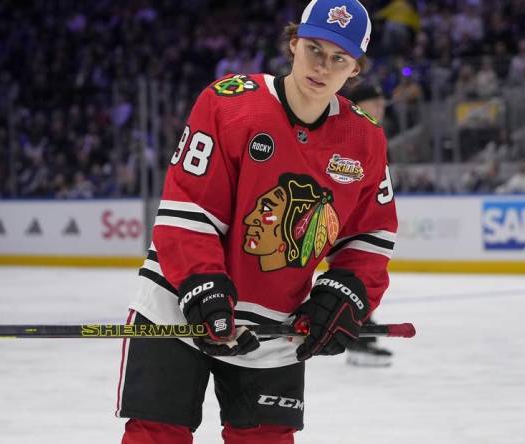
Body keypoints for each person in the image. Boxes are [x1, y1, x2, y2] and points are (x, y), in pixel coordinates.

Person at [117, 1, 397, 442]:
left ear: (355, 69)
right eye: (314, 49)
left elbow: (369, 236)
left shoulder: (365, 139)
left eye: (338, 58)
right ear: (292, 44)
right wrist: (203, 285)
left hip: (274, 329)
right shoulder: (229, 104)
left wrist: (349, 292)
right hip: (178, 305)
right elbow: (188, 207)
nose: (322, 66)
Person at [342, 82, 394, 367]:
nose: (382, 108)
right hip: (347, 220)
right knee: (355, 276)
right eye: (376, 102)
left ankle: (361, 334)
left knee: (359, 277)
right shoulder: (353, 133)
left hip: (357, 218)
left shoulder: (372, 134)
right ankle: (358, 338)